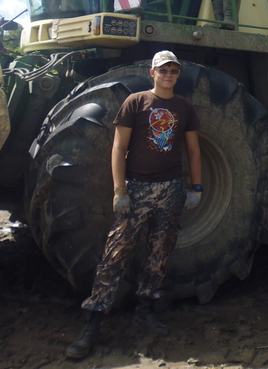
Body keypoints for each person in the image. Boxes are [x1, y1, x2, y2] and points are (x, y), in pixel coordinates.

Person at [66, 50, 203, 360]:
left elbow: (193, 151)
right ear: (151, 72)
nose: (168, 74)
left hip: (171, 190)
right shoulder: (136, 102)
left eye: (173, 70)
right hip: (137, 188)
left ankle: (145, 310)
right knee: (115, 255)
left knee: (159, 254)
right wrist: (120, 190)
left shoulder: (184, 107)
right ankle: (93, 322)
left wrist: (195, 187)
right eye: (163, 70)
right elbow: (118, 147)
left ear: (177, 75)